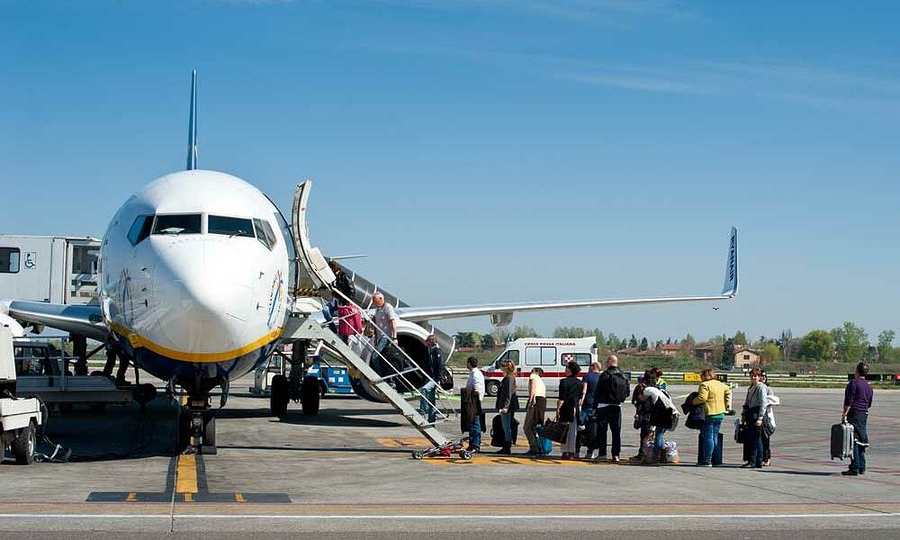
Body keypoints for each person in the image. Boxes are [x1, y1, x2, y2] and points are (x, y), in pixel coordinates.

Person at [592, 354, 630, 462]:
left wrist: (594, 407)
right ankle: (616, 455)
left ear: (609, 362)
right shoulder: (623, 375)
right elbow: (627, 392)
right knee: (616, 432)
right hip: (617, 406)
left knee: (602, 431)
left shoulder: (605, 375)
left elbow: (597, 392)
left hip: (603, 406)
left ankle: (602, 454)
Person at [692, 368, 732, 467]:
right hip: (720, 414)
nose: (701, 378)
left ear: (706, 376)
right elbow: (728, 392)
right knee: (715, 437)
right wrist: (726, 405)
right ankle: (716, 460)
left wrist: (693, 402)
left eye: (702, 376)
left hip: (709, 413)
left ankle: (707, 460)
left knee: (708, 437)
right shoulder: (721, 384)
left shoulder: (705, 385)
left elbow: (702, 398)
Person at [842, 362, 874, 476]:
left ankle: (855, 466)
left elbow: (849, 400)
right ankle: (862, 466)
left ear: (856, 371)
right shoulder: (868, 386)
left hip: (854, 413)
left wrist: (844, 414)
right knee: (861, 439)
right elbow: (869, 403)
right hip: (864, 413)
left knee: (853, 440)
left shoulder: (853, 383)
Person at [639, 373, 678, 463]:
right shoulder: (655, 391)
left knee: (658, 435)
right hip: (670, 413)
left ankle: (656, 456)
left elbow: (651, 408)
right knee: (659, 435)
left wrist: (652, 428)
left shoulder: (647, 390)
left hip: (667, 413)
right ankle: (662, 456)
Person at [741, 368, 769, 468]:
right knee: (755, 439)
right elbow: (747, 402)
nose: (753, 378)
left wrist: (760, 418)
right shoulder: (751, 387)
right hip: (750, 414)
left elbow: (763, 403)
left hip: (756, 414)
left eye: (755, 376)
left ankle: (753, 461)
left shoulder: (761, 387)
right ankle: (757, 461)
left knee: (755, 439)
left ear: (759, 377)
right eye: (752, 376)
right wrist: (743, 414)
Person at [557, 361, 582, 459]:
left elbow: (561, 398)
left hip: (566, 407)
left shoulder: (564, 381)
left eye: (566, 367)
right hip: (575, 408)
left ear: (570, 370)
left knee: (564, 430)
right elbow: (580, 398)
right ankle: (572, 452)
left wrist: (558, 409)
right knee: (573, 431)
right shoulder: (579, 382)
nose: (565, 369)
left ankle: (564, 451)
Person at [577, 361, 602, 459]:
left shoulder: (587, 376)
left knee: (580, 428)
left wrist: (581, 400)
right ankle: (590, 451)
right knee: (593, 430)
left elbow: (584, 389)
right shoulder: (602, 377)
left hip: (587, 404)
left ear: (593, 367)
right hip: (597, 406)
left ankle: (577, 451)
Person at [495, 359, 520, 454]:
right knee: (505, 425)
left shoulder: (509, 378)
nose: (501, 367)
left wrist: (506, 406)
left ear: (506, 367)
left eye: (502, 366)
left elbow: (508, 393)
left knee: (506, 426)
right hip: (507, 405)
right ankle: (506, 444)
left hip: (507, 407)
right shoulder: (508, 377)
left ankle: (507, 446)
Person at [417, 335, 444, 424]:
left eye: (427, 340)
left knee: (424, 390)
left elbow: (440, 365)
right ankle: (432, 421)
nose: (426, 342)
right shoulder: (428, 351)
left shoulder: (437, 351)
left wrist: (439, 378)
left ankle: (422, 412)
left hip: (434, 378)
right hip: (428, 377)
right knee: (431, 401)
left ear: (432, 341)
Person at [371, 292, 399, 376]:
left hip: (386, 337)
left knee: (375, 355)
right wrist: (376, 339)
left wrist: (394, 337)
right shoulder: (377, 310)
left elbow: (392, 322)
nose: (374, 303)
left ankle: (378, 375)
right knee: (383, 357)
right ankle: (386, 376)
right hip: (380, 337)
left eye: (375, 301)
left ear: (381, 299)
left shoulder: (387, 307)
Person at [630, 369, 655, 462]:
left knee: (644, 434)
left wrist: (638, 408)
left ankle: (642, 454)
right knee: (652, 435)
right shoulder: (656, 388)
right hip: (654, 414)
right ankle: (652, 453)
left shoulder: (640, 387)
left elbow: (634, 401)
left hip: (643, 413)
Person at [523, 367, 547, 455]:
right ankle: (539, 446)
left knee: (527, 427)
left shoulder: (533, 376)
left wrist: (530, 401)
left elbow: (532, 387)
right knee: (535, 426)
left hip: (535, 401)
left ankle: (534, 446)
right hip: (542, 401)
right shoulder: (541, 381)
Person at [464, 356, 485, 453]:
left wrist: (469, 392)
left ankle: (475, 445)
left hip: (474, 402)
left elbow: (477, 389)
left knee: (474, 424)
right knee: (472, 423)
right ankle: (473, 444)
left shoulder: (475, 374)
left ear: (469, 363)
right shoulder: (474, 373)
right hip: (473, 401)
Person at [760, 370, 778, 466]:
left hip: (766, 416)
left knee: (765, 438)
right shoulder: (754, 387)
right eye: (761, 376)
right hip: (757, 414)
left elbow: (772, 400)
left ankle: (767, 458)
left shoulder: (768, 388)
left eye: (764, 376)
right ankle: (760, 457)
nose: (763, 377)